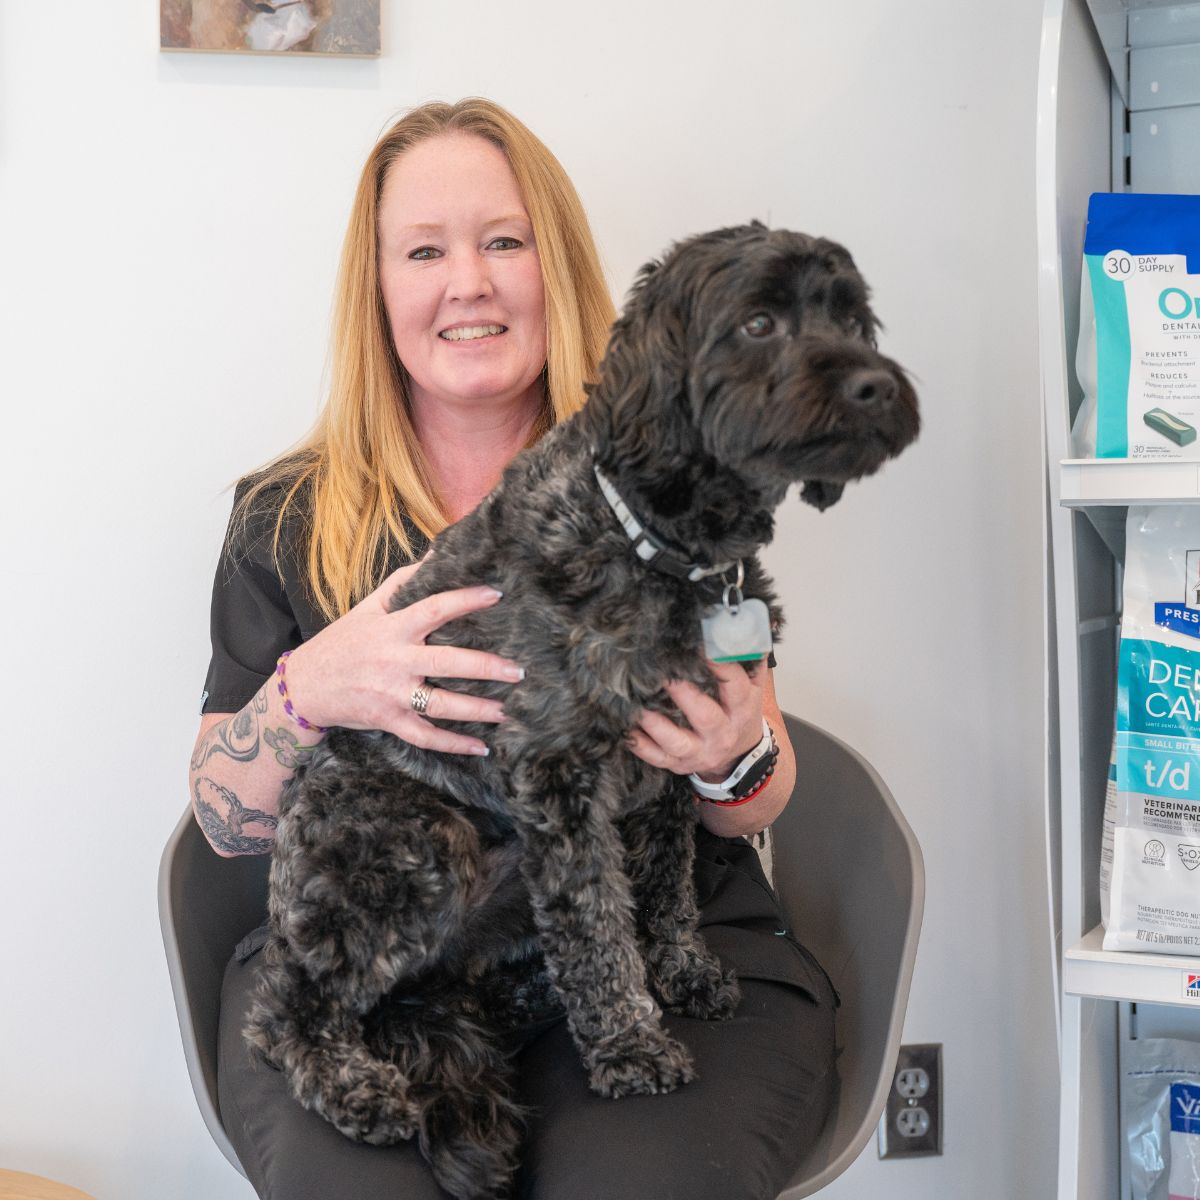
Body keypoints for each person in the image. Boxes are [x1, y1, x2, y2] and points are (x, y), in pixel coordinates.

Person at [191, 97, 836, 1200]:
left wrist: (730, 752)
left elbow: (751, 802)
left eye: (504, 241)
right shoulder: (288, 516)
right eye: (425, 250)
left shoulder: (677, 484)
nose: (469, 283)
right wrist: (312, 688)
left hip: (650, 943)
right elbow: (221, 819)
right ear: (380, 288)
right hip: (401, 967)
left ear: (557, 264)